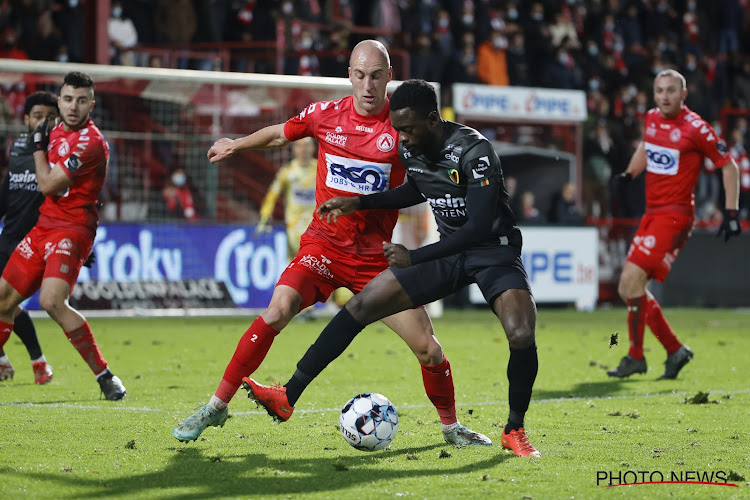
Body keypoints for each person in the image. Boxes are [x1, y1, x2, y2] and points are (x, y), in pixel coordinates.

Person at [172, 40, 490, 448]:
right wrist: (237, 143)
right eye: (360, 75)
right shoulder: (325, 115)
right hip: (322, 248)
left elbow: (432, 172)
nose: (368, 85)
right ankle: (216, 407)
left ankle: (451, 429)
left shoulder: (402, 129)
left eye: (376, 76)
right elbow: (279, 135)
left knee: (428, 348)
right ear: (349, 75)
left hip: (375, 258)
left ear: (389, 77)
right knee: (276, 311)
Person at [244, 79, 542, 458]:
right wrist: (360, 203)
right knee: (362, 305)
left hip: (492, 251)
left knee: (520, 333)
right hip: (449, 253)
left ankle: (514, 428)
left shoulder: (474, 151)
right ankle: (289, 394)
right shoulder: (411, 147)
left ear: (433, 120)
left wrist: (415, 257)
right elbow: (416, 190)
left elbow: (478, 227)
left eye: (409, 129)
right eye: (398, 128)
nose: (402, 136)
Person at [0, 72, 127, 400]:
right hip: (43, 227)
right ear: (60, 101)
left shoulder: (90, 142)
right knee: (2, 299)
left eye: (81, 100)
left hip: (72, 229)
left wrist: (38, 147)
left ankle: (105, 377)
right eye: (68, 99)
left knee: (51, 301)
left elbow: (47, 184)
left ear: (91, 105)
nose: (74, 106)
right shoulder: (54, 131)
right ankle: (22, 361)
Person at [608, 69, 741, 380]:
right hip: (652, 213)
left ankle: (637, 356)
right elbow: (647, 146)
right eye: (659, 91)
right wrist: (630, 174)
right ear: (654, 94)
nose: (664, 97)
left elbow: (729, 166)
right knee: (630, 287)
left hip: (676, 216)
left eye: (671, 91)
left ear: (684, 94)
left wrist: (731, 212)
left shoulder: (697, 128)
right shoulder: (652, 118)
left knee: (630, 283)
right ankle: (671, 351)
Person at [0, 91, 58, 384]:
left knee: (7, 303)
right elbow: (10, 191)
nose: (43, 123)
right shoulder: (18, 147)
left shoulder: (60, 151)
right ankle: (36, 362)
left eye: (50, 118)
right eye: (38, 117)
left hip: (35, 245)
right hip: (8, 238)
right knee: (7, 304)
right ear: (26, 119)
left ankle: (31, 361)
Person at [255, 137, 317, 256]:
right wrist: (265, 217)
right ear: (294, 149)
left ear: (313, 148)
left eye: (307, 145)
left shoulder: (321, 169)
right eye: (300, 145)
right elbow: (272, 196)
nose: (304, 149)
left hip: (316, 228)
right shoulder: (287, 172)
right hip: (293, 229)